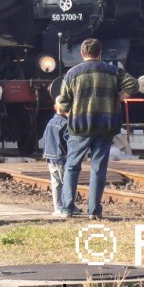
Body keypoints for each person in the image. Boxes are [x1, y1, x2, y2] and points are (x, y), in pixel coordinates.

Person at [55, 38, 139, 220]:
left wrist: (70, 113)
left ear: (82, 54)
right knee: (98, 168)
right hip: (105, 126)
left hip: (80, 127)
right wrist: (118, 98)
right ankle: (94, 211)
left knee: (72, 166)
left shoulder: (72, 73)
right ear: (100, 53)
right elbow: (134, 85)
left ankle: (67, 208)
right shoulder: (112, 70)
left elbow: (62, 103)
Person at [42, 102, 69, 216]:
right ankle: (66, 206)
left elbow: (45, 138)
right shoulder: (65, 123)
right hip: (61, 157)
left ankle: (57, 207)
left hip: (50, 156)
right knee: (66, 183)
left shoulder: (50, 122)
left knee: (55, 183)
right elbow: (68, 142)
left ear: (55, 107)